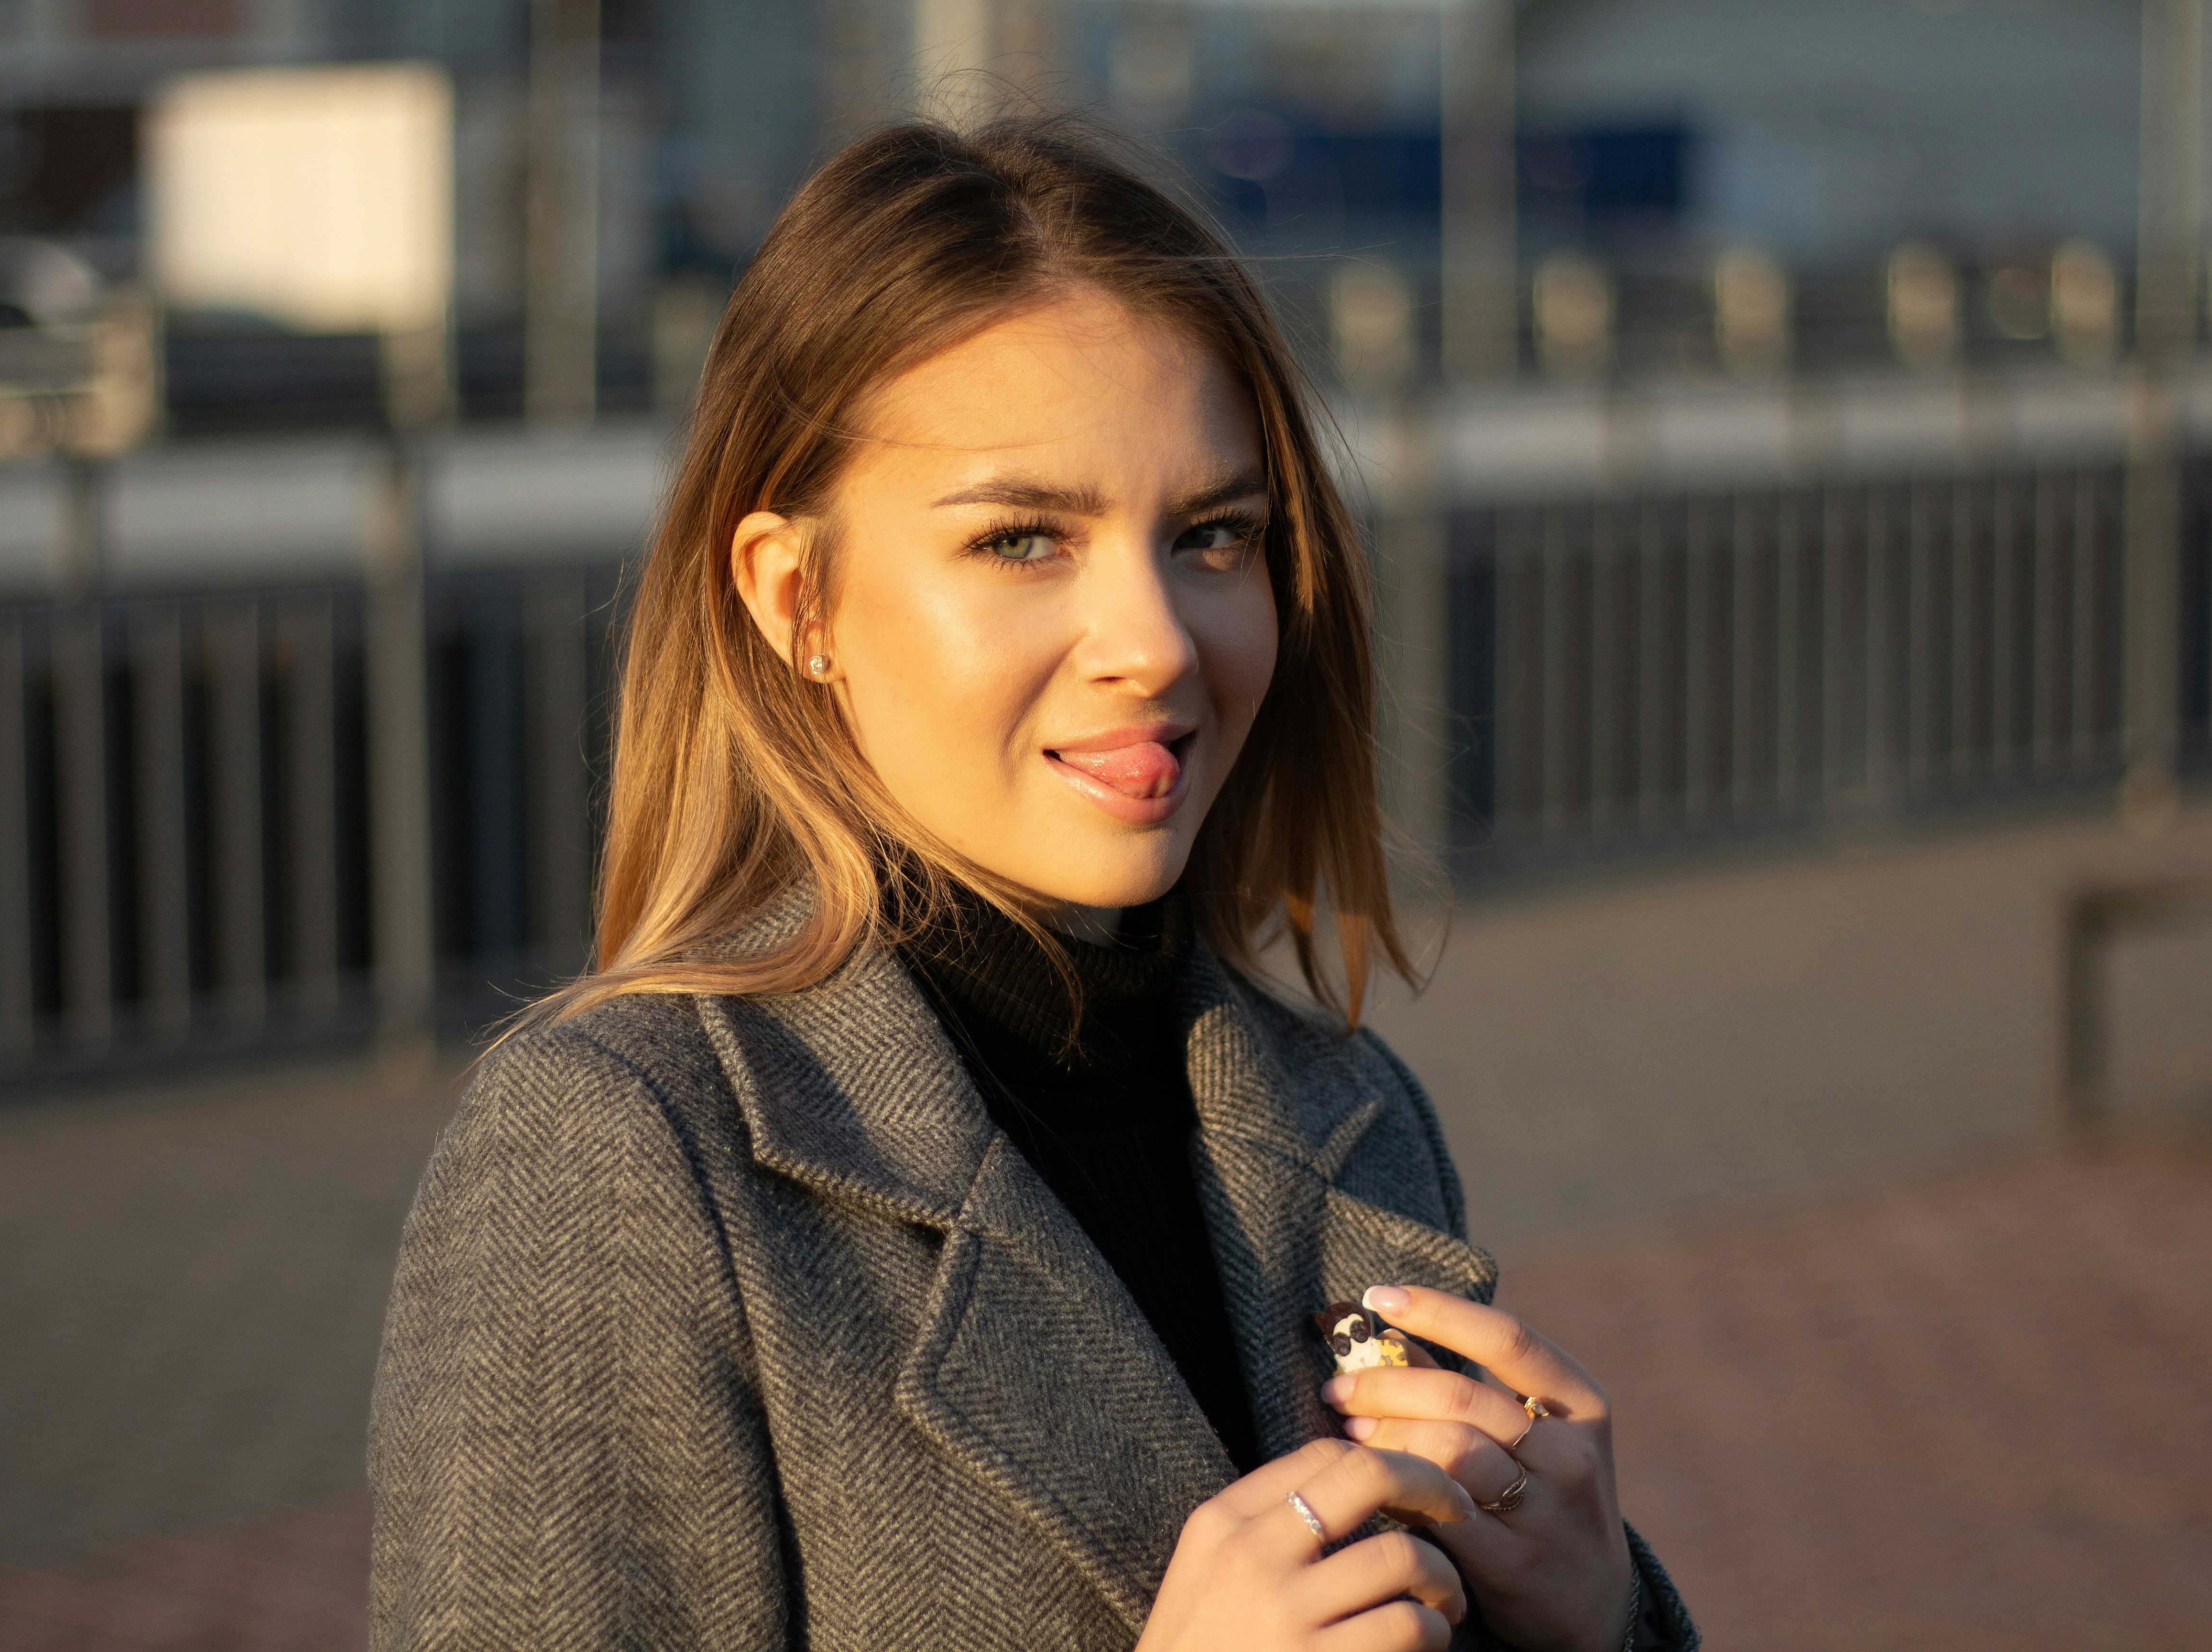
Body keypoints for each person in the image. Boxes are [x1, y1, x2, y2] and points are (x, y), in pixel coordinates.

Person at [368, 116, 1697, 1652]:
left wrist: (1599, 1623)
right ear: (797, 598)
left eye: (1214, 536)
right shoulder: (623, 1153)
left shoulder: (1351, 1111)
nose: (1156, 641)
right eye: (1022, 540)